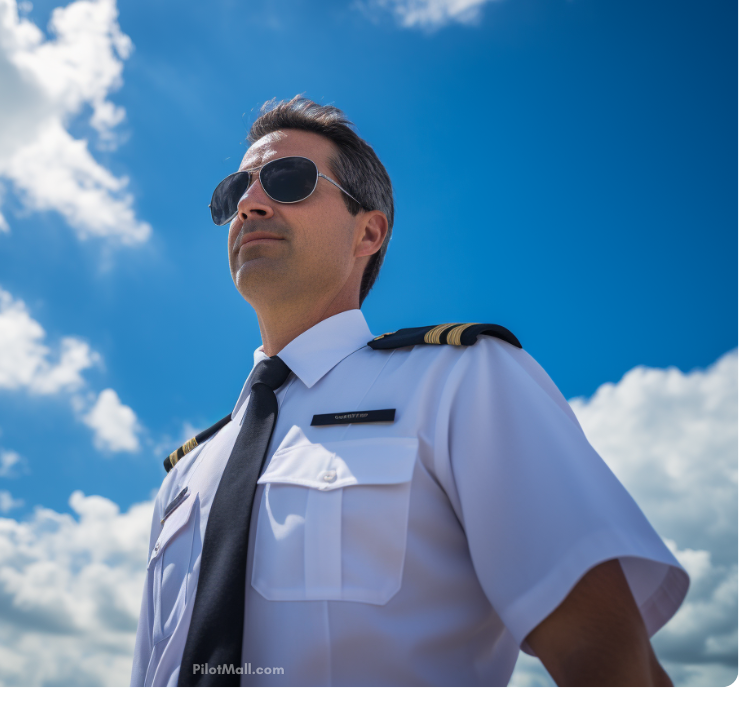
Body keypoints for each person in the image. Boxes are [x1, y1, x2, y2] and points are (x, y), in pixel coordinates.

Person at [131, 96, 688, 688]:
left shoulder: (463, 382)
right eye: (233, 191)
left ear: (368, 232)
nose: (249, 203)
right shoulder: (185, 476)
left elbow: (606, 655)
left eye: (286, 180)